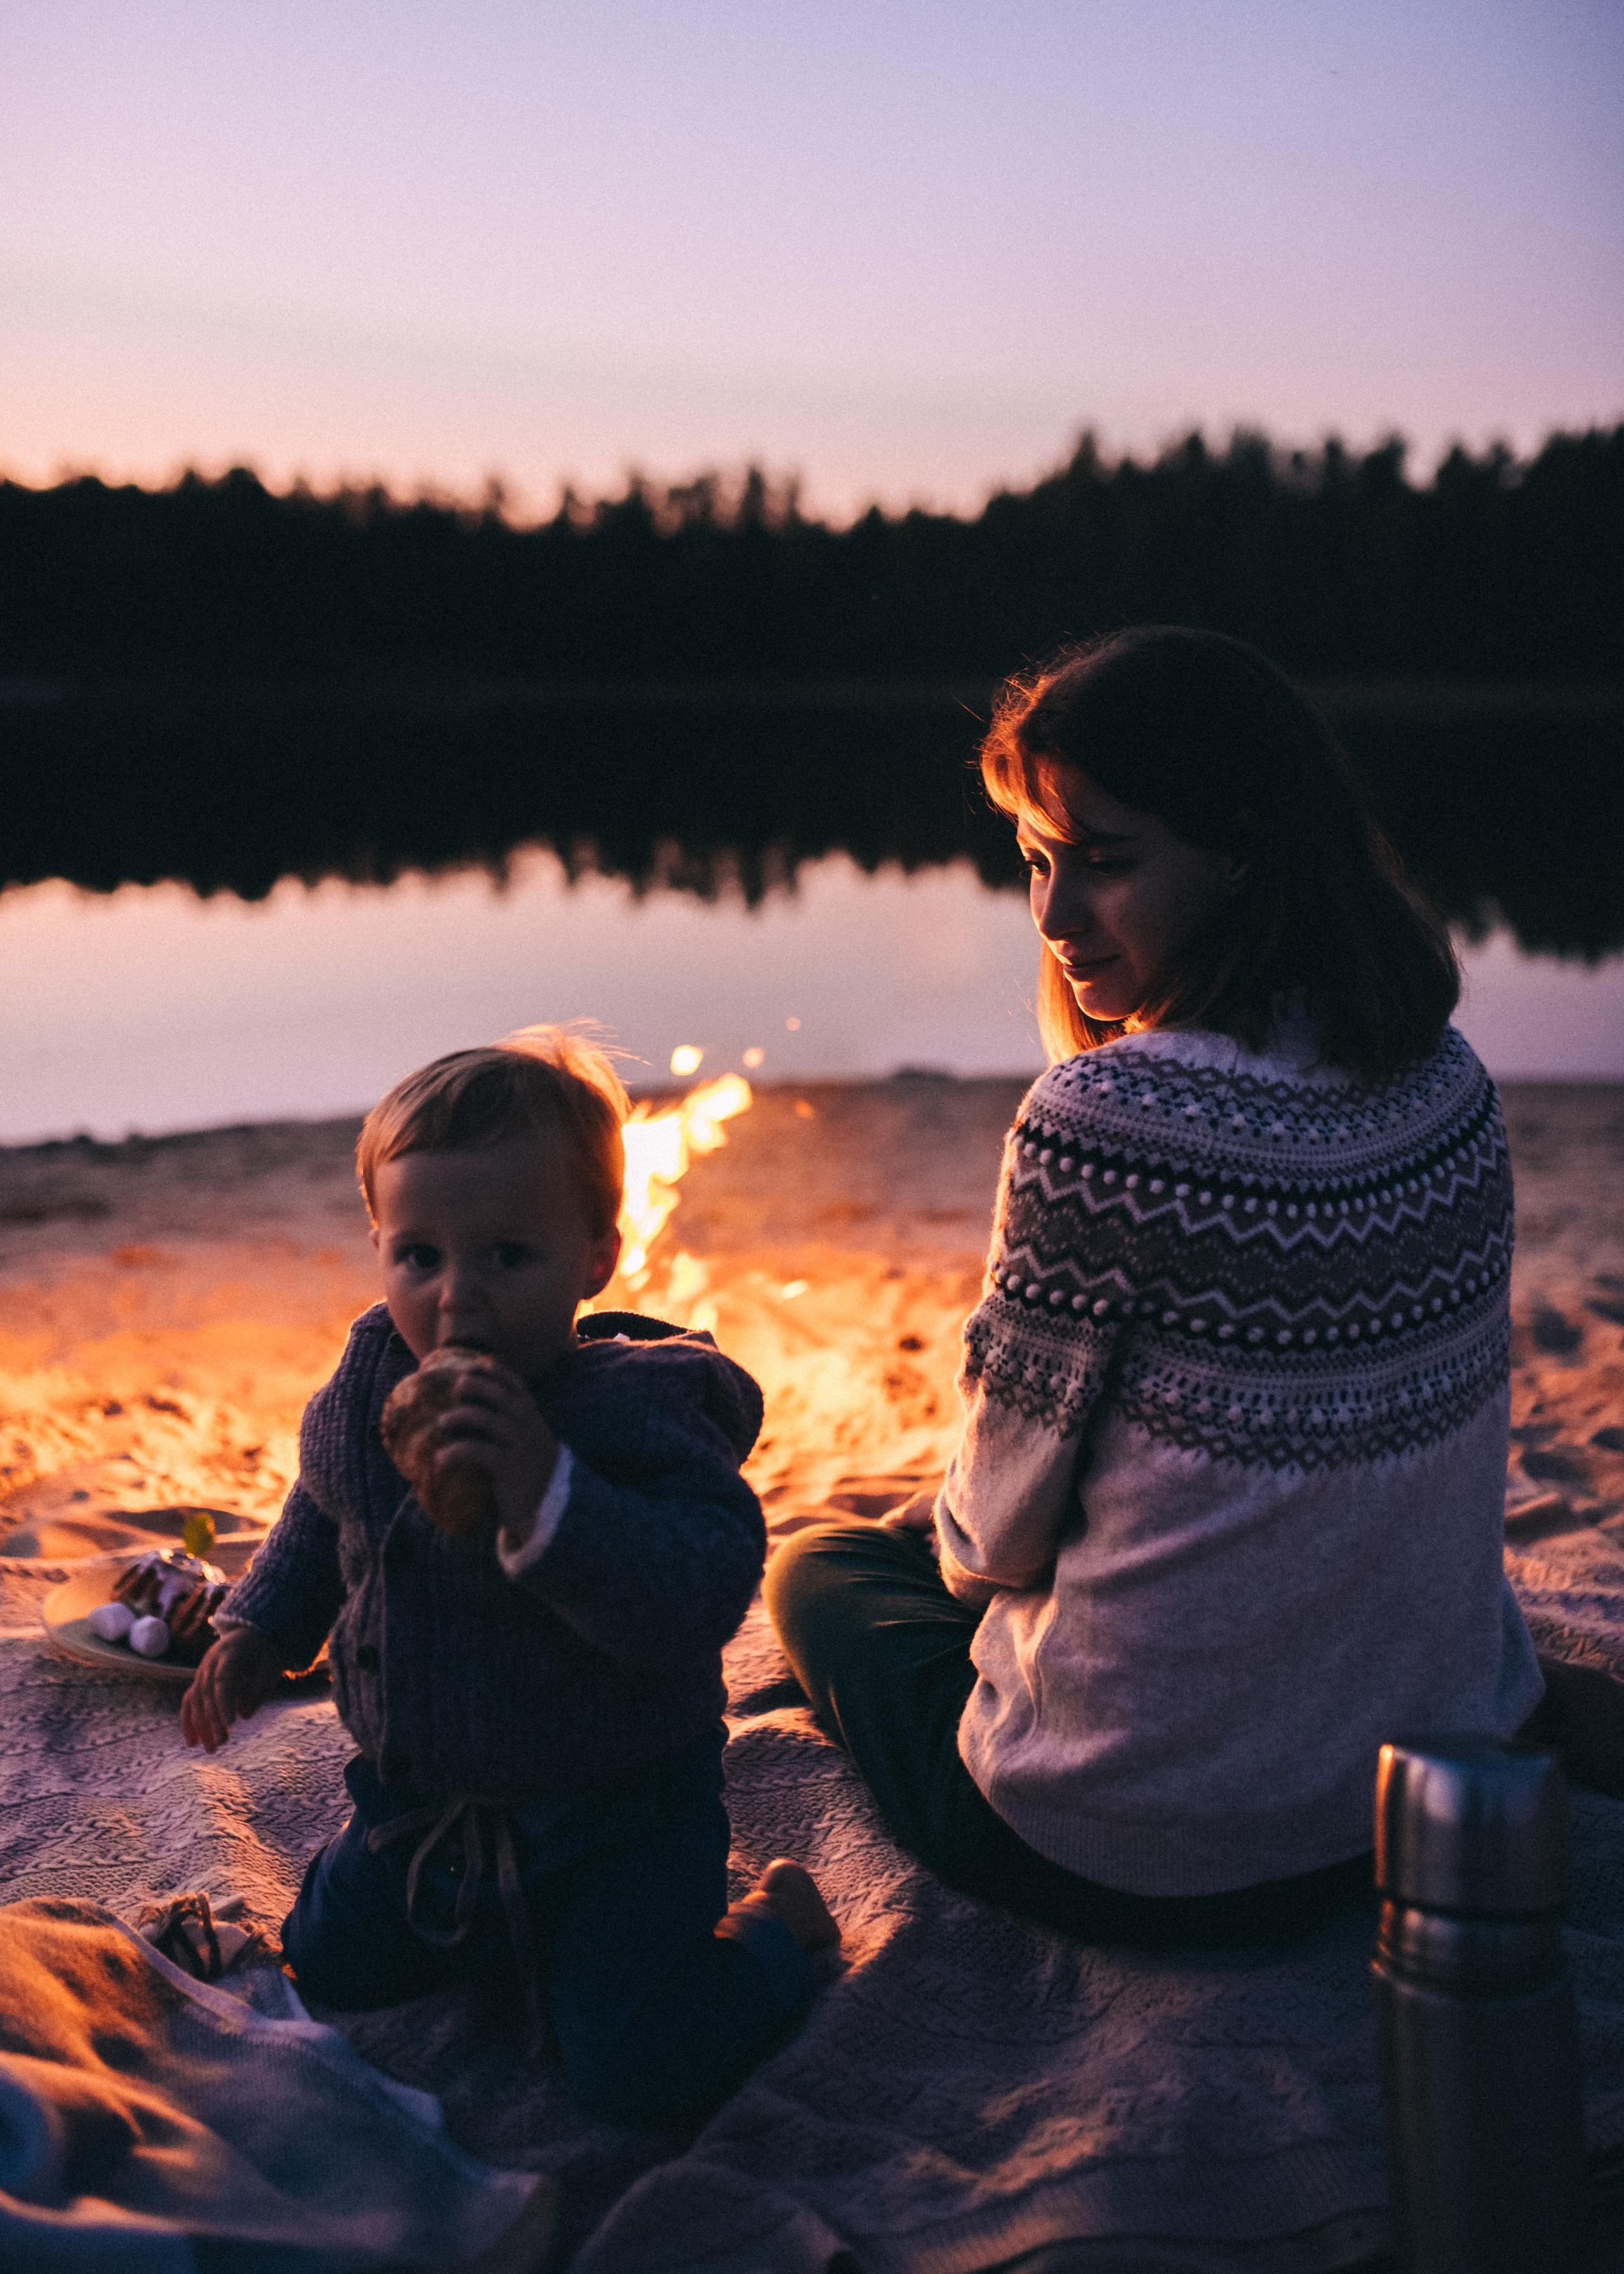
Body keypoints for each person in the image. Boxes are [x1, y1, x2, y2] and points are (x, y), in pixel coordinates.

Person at [766, 626, 1540, 1947]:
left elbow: (990, 1544)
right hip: (1418, 1799)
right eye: (1034, 862)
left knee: (820, 1568)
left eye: (1106, 864)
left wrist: (949, 1538)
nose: (1056, 918)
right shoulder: (1448, 1080)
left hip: (1132, 1851)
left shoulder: (1103, 1124)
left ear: (1240, 847)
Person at [180, 1026, 837, 2124]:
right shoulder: (369, 1383)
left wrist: (545, 1489)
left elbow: (700, 1585)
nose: (457, 1298)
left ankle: (776, 1935)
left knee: (636, 2073)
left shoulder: (640, 1413)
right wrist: (258, 1628)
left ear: (595, 1256)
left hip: (617, 1820)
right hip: (419, 1808)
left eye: (507, 1256)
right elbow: (323, 1508)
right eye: (420, 1256)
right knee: (329, 1963)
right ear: (380, 1243)